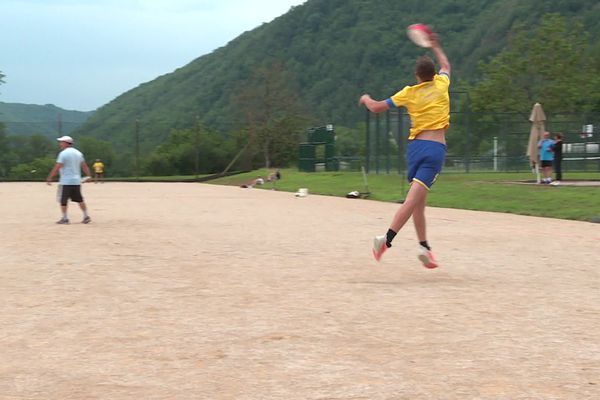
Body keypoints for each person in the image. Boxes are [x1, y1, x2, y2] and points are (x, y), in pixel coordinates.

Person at [358, 32, 450, 268]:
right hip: (434, 150)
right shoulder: (442, 84)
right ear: (433, 75)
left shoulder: (409, 92)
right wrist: (435, 45)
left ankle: (424, 247)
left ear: (417, 75)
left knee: (419, 200)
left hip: (415, 149)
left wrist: (367, 99)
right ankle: (385, 240)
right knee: (412, 200)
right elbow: (446, 65)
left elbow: (378, 108)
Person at [46, 135, 92, 224]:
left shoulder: (63, 153)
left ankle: (65, 218)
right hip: (76, 181)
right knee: (79, 199)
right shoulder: (78, 153)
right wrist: (89, 176)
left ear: (66, 143)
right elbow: (84, 166)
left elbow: (58, 166)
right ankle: (86, 216)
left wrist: (50, 177)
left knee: (63, 200)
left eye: (61, 142)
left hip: (66, 181)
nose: (60, 144)